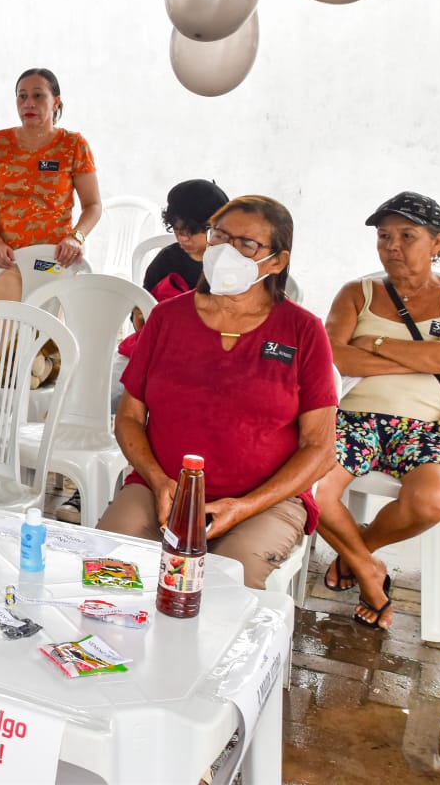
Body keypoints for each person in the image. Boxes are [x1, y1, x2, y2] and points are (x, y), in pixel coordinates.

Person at [96, 196, 337, 590]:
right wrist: (158, 481)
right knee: (110, 572)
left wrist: (244, 506)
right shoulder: (167, 318)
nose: (227, 251)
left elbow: (320, 449)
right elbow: (129, 418)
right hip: (163, 488)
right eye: (220, 236)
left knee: (227, 584)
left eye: (247, 244)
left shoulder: (303, 331)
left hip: (265, 501)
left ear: (276, 262)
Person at [315, 191, 440, 630]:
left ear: (438, 243)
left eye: (407, 235)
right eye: (383, 235)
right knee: (312, 488)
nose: (392, 245)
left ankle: (356, 554)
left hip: (427, 425)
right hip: (355, 419)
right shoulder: (358, 293)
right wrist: (422, 352)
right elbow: (335, 356)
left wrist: (371, 343)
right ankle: (370, 571)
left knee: (435, 498)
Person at [0, 68, 101, 300]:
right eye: (22, 96)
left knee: (44, 330)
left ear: (56, 102)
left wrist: (76, 238)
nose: (28, 103)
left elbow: (93, 205)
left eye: (38, 95)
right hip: (8, 257)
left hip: (53, 257)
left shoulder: (73, 145)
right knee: (5, 327)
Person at [143, 179, 230, 295]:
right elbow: (144, 302)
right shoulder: (167, 261)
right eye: (176, 228)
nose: (182, 238)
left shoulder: (235, 264)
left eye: (192, 230)